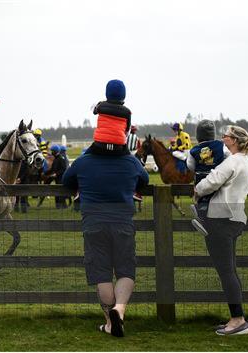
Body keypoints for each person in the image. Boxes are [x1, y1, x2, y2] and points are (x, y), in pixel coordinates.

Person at [63, 79, 149, 338]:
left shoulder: (85, 161)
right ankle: (119, 311)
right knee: (125, 270)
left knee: (101, 273)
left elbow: (67, 180)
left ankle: (109, 322)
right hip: (122, 219)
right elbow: (144, 180)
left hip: (93, 221)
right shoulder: (130, 163)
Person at [194, 125, 248, 336]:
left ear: (235, 141)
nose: (223, 137)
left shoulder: (233, 161)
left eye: (227, 136)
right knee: (229, 270)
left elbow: (211, 181)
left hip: (221, 220)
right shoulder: (244, 162)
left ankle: (238, 321)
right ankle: (237, 318)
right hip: (235, 218)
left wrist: (197, 190)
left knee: (227, 272)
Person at [187, 120, 231, 236]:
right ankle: (210, 220)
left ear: (198, 136)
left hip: (201, 179)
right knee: (216, 198)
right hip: (217, 178)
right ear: (213, 134)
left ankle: (201, 216)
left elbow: (190, 165)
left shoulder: (194, 150)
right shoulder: (221, 146)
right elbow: (229, 158)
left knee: (203, 198)